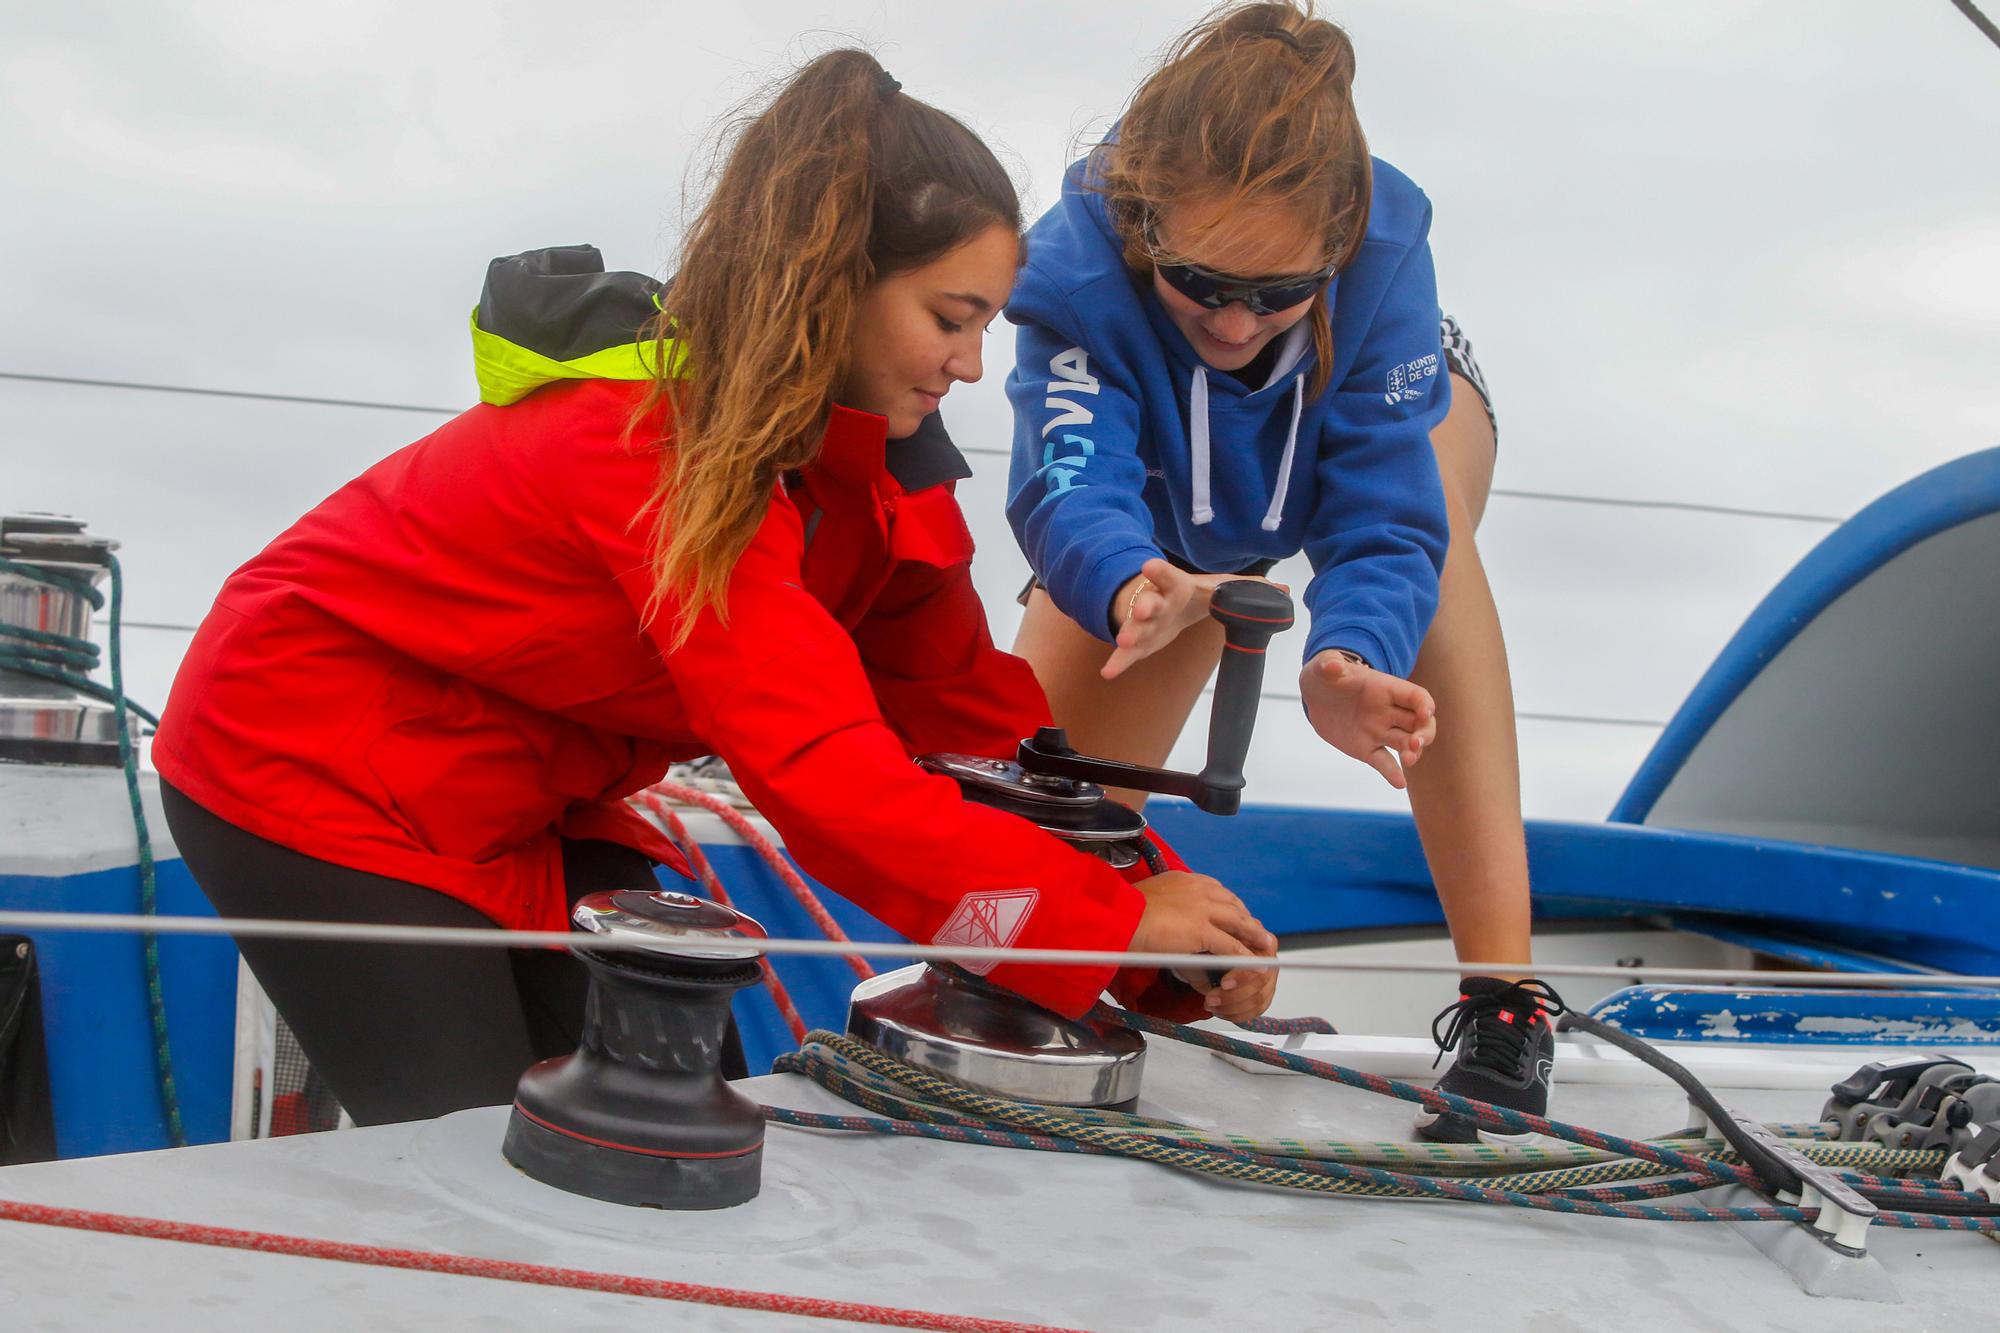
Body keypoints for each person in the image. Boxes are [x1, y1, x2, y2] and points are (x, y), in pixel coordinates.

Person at [154, 50, 1277, 1128]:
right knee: (493, 1159)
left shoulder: (883, 471)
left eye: (986, 323)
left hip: (520, 797)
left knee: (688, 1115)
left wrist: (1167, 929)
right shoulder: (648, 453)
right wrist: (1107, 926)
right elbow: (822, 775)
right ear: (830, 284)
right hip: (307, 770)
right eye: (950, 317)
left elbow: (973, 720)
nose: (971, 365)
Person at [1003, 2, 1557, 1142]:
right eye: (1202, 282)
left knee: (1435, 545)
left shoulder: (1383, 260)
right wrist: (1124, 583)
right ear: (1143, 224)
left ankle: (1506, 998)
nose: (1236, 321)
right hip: (1165, 482)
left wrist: (1348, 657)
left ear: (1339, 252)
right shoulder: (1072, 266)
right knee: (1044, 803)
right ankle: (1105, 962)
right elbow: (1069, 475)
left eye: (1277, 293)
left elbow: (1380, 512)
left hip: (1367, 422)